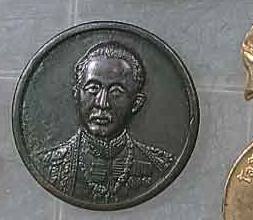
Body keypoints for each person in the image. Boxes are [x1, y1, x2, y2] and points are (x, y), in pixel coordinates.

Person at [37, 42, 174, 203]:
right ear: (76, 94)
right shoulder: (50, 166)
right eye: (93, 88)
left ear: (136, 103)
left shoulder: (160, 165)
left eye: (116, 91)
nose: (102, 103)